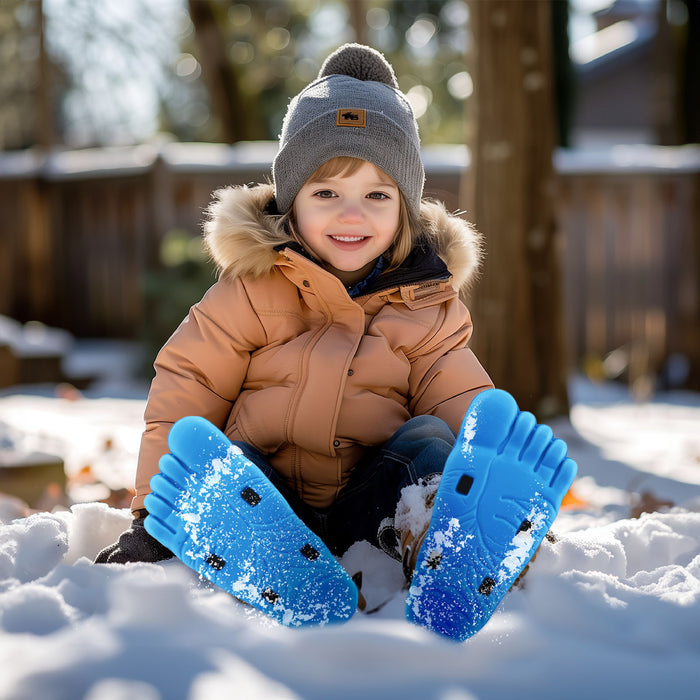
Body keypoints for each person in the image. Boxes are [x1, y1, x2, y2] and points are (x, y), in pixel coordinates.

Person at [96, 43, 575, 640]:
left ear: (406, 208)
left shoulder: (427, 306)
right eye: (326, 193)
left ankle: (448, 543)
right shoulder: (250, 288)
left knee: (431, 442)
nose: (352, 215)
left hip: (372, 509)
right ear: (290, 201)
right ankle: (226, 538)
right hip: (266, 505)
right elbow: (187, 384)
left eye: (377, 195)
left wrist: (485, 484)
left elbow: (462, 403)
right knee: (218, 459)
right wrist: (151, 512)